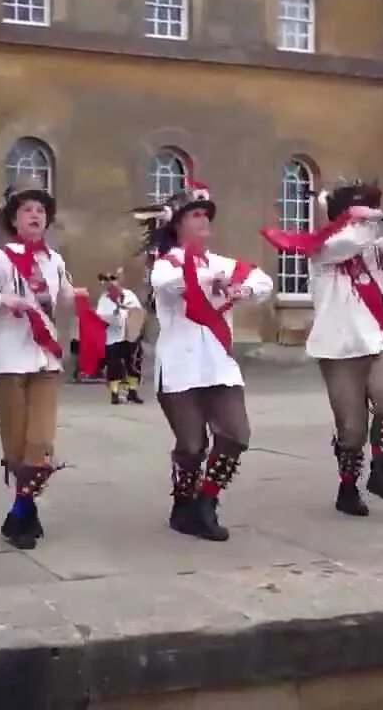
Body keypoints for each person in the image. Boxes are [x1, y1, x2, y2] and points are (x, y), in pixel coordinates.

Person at [259, 178, 383, 517]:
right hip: (337, 351)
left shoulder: (375, 248)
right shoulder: (324, 250)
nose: (362, 219)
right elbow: (348, 241)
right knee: (352, 429)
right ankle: (348, 487)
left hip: (375, 342)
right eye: (355, 212)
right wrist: (364, 221)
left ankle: (380, 469)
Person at [136, 182, 273, 541]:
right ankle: (183, 507)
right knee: (192, 445)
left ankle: (206, 501)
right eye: (195, 214)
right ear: (177, 224)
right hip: (180, 369)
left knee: (236, 434)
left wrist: (243, 289)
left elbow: (262, 280)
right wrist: (215, 280)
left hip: (219, 364)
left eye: (205, 215)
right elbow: (171, 285)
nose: (202, 221)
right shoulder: (165, 264)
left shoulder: (222, 262)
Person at [0, 175, 78, 550]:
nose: (35, 215)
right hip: (8, 357)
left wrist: (71, 294)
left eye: (41, 210)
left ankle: (19, 510)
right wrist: (3, 300)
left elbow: (61, 301)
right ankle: (24, 512)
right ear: (14, 220)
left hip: (45, 358)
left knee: (40, 441)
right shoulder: (0, 259)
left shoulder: (56, 261)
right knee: (16, 444)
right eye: (27, 209)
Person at [96, 268, 145, 404]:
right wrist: (115, 313)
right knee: (114, 365)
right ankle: (115, 393)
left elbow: (137, 312)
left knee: (133, 364)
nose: (112, 283)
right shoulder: (104, 299)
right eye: (109, 280)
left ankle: (133, 392)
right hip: (113, 337)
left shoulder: (129, 295)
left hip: (130, 336)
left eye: (114, 279)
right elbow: (102, 316)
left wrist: (135, 325)